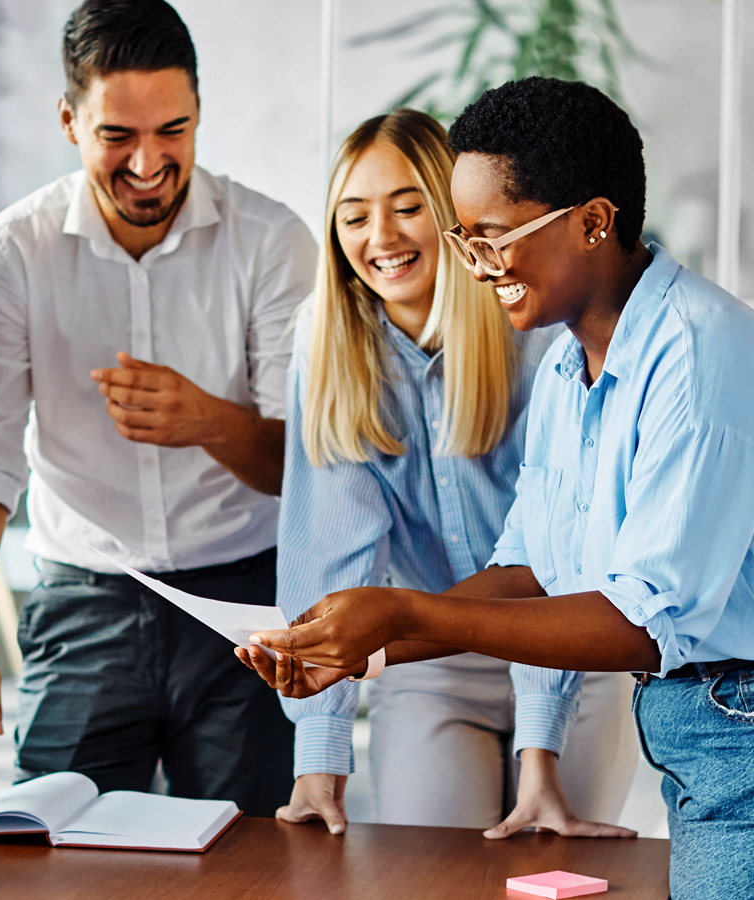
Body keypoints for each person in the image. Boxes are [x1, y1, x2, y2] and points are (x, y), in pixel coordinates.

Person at [246, 76, 754, 898]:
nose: (474, 264)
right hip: (698, 726)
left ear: (593, 222)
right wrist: (356, 652)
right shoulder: (567, 363)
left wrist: (404, 610)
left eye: (492, 236)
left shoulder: (697, 355)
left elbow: (642, 621)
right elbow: (533, 570)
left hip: (738, 726)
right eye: (464, 236)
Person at [0, 0, 316, 815]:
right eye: (118, 136)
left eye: (173, 131)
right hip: (86, 601)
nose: (149, 162)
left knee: (252, 859)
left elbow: (305, 466)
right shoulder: (16, 251)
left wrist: (208, 422)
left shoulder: (271, 242)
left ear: (197, 114)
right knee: (50, 849)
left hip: (244, 610)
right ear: (68, 120)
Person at [238, 109, 638, 836]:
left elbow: (561, 554)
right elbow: (330, 550)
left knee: (560, 873)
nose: (380, 238)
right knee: (429, 873)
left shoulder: (531, 326)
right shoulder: (327, 343)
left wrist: (539, 748)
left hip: (571, 653)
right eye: (354, 216)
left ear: (455, 218)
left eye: (408, 208)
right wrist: (317, 755)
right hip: (431, 660)